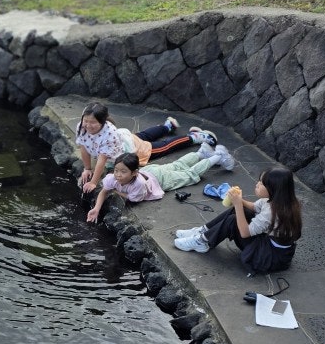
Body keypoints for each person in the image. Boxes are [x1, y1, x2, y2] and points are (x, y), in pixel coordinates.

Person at [174, 165, 302, 273]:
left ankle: (202, 242)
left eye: (262, 183)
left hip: (270, 258)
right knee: (238, 209)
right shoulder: (281, 201)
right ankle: (204, 231)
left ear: (274, 189)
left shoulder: (272, 211)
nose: (257, 184)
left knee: (233, 219)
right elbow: (253, 207)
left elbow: (245, 233)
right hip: (274, 248)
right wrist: (238, 200)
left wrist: (237, 204)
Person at [76, 103, 218, 194]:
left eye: (92, 122)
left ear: (102, 122)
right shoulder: (81, 127)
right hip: (124, 140)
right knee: (143, 135)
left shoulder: (109, 133)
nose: (88, 125)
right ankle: (168, 126)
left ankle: (195, 137)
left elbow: (101, 160)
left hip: (131, 150)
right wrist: (87, 168)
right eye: (85, 121)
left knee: (163, 147)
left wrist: (94, 182)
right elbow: (83, 146)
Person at [86, 143, 235, 223]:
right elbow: (104, 191)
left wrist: (115, 191)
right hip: (151, 171)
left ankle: (217, 156)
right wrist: (97, 209)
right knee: (177, 165)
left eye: (123, 171)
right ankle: (201, 153)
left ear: (134, 173)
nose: (118, 174)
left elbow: (132, 198)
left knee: (189, 175)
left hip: (160, 179)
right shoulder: (113, 178)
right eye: (116, 170)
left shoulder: (138, 184)